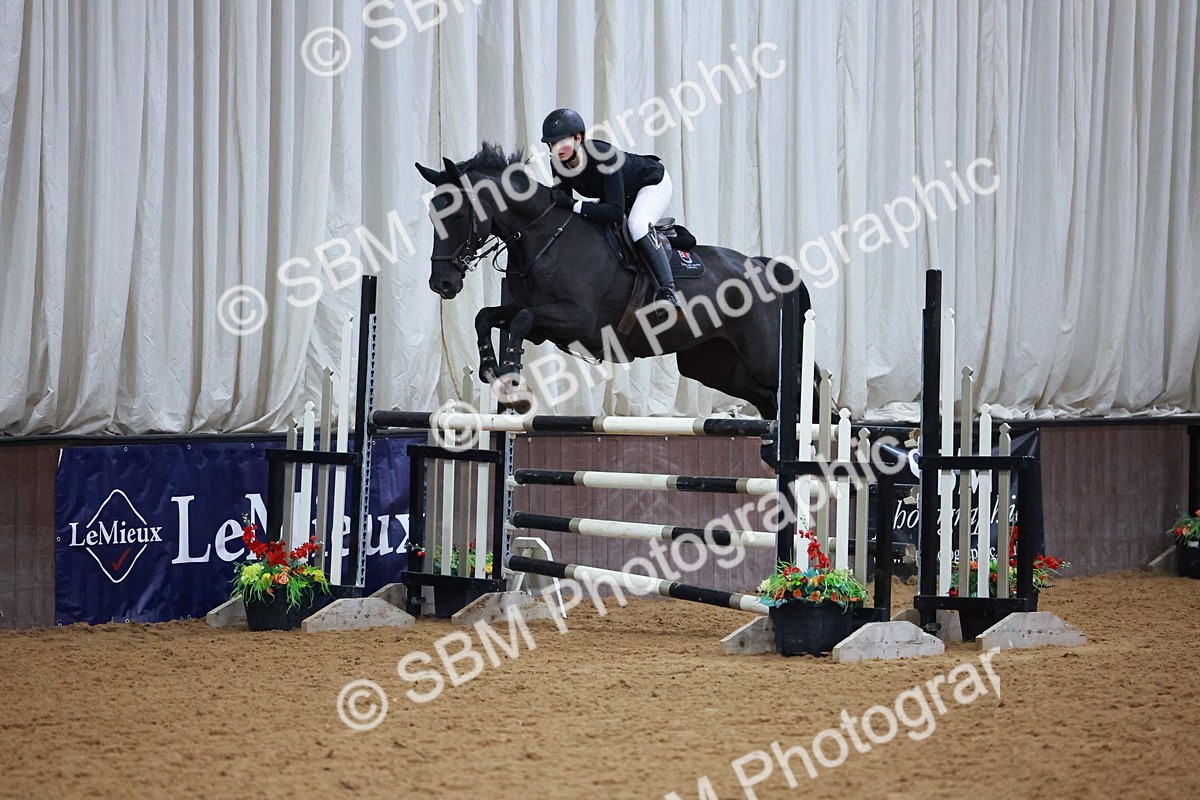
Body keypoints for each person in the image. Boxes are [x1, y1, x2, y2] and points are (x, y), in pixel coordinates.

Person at [540, 108, 682, 311]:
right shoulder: (557, 163)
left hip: (650, 183)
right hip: (619, 194)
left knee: (637, 224)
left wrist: (574, 205)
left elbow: (615, 212)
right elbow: (565, 207)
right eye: (552, 144)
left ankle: (668, 292)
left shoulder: (604, 156)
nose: (557, 149)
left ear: (578, 138)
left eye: (562, 142)